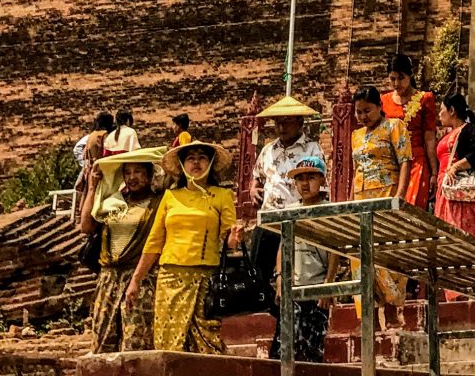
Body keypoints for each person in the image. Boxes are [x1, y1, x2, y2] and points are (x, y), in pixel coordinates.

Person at [126, 137, 235, 353]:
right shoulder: (170, 197)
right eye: (191, 158)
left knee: (208, 343)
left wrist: (236, 237)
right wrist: (135, 280)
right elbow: (155, 242)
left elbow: (229, 241)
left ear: (211, 163)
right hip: (170, 278)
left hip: (205, 279)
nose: (196, 163)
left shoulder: (222, 196)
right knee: (169, 344)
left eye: (202, 158)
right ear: (183, 165)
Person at [233, 96, 323, 305]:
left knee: (296, 271)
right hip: (269, 216)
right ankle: (263, 306)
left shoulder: (312, 149)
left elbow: (319, 179)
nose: (282, 127)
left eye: (287, 121)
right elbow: (256, 177)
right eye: (278, 122)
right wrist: (254, 189)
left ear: (300, 123)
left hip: (297, 218)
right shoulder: (268, 150)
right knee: (257, 269)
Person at [85, 147, 164, 352]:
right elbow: (86, 226)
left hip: (140, 278)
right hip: (109, 279)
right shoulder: (114, 203)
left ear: (149, 174)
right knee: (102, 339)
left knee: (136, 339)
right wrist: (92, 187)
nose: (132, 177)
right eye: (127, 173)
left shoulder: (158, 204)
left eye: (138, 172)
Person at [269, 157, 338, 365]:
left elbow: (336, 250)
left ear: (322, 180)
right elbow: (284, 245)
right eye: (300, 179)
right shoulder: (291, 210)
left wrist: (329, 285)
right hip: (293, 288)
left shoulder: (330, 211)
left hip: (317, 289)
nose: (305, 184)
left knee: (312, 351)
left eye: (311, 177)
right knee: (283, 349)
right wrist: (280, 277)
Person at [349, 85, 408, 324]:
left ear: (380, 107)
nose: (362, 116)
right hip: (361, 200)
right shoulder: (356, 136)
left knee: (387, 253)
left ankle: (393, 312)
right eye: (358, 112)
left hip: (387, 196)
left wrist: (400, 196)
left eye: (367, 111)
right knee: (360, 255)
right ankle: (369, 317)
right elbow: (355, 170)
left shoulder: (395, 126)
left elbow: (405, 161)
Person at [381, 53, 438, 209]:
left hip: (416, 162)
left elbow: (429, 138)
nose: (397, 83)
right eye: (392, 79)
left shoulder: (424, 98)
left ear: (410, 75)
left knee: (411, 209)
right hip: (390, 163)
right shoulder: (383, 101)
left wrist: (434, 172)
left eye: (401, 78)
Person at [432, 93, 475, 237]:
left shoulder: (471, 130)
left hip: (461, 190)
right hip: (445, 188)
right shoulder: (447, 134)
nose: (439, 114)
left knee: (461, 233)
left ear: (451, 111)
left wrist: (456, 166)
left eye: (442, 109)